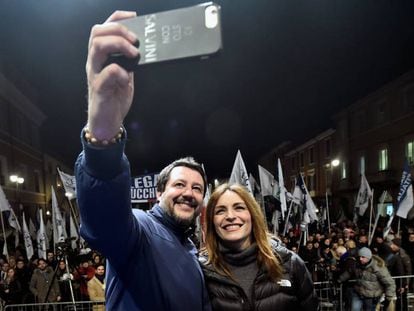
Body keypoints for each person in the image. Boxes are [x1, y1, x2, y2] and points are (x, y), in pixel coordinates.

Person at [75, 10, 210, 310]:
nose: (189, 193)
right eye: (180, 184)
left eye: (198, 188)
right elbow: (105, 221)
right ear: (159, 193)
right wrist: (104, 133)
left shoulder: (190, 247)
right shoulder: (139, 230)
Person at [199, 183, 318, 310]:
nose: (230, 216)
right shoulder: (202, 270)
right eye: (220, 211)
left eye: (239, 207)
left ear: (253, 214)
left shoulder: (290, 263)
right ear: (212, 221)